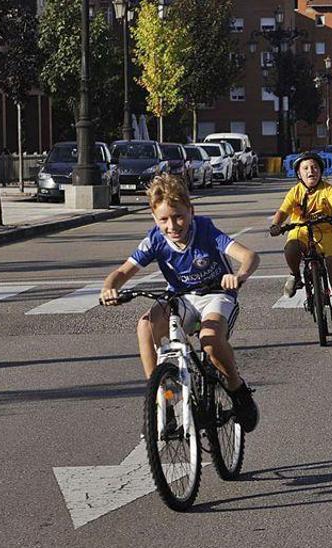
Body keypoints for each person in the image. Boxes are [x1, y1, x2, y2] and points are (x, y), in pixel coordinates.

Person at [100, 174, 260, 432]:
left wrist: (239, 275)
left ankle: (237, 389)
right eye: (163, 219)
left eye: (179, 216)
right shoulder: (155, 239)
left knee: (210, 341)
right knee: (145, 326)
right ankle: (162, 400)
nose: (172, 225)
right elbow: (122, 272)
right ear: (154, 218)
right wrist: (109, 288)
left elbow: (249, 256)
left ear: (191, 211)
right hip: (181, 298)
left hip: (216, 295)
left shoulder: (205, 230)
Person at [268, 152, 332, 319]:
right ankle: (295, 275)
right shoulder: (295, 191)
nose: (310, 171)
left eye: (314, 167)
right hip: (300, 230)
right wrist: (275, 225)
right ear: (299, 174)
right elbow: (282, 211)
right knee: (291, 247)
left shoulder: (327, 189)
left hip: (325, 231)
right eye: (305, 168)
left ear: (320, 171)